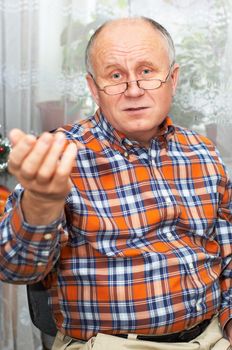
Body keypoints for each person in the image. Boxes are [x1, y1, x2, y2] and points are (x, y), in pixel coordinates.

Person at [0, 17, 231, 350]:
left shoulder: (202, 151)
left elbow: (229, 252)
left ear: (173, 79)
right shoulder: (60, 155)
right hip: (109, 344)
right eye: (116, 75)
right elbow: (14, 267)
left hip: (212, 337)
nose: (134, 89)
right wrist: (41, 201)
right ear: (94, 88)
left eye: (147, 71)